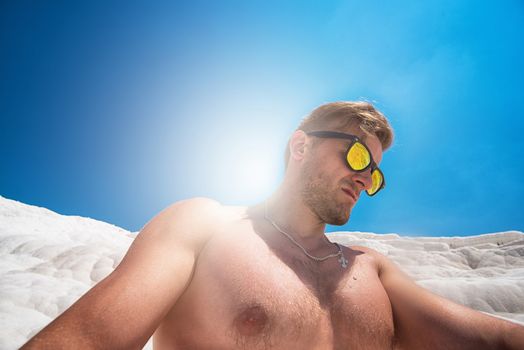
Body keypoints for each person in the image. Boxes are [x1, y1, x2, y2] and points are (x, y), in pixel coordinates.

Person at [22, 101, 524, 350]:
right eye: (355, 154)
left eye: (373, 172)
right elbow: (90, 338)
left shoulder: (370, 270)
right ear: (301, 146)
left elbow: (492, 341)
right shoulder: (205, 225)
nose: (363, 175)